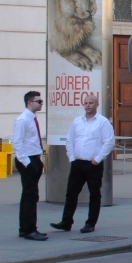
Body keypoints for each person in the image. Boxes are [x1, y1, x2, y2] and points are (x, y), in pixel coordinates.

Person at [49, 94, 114, 234]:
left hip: (93, 164)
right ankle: (66, 222)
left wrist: (97, 159)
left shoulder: (102, 122)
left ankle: (90, 223)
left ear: (97, 105)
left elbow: (109, 142)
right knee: (71, 193)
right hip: (77, 163)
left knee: (94, 195)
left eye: (91, 103)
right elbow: (70, 139)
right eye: (86, 103)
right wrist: (72, 158)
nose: (88, 105)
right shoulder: (77, 121)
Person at [13, 91, 47, 241]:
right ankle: (29, 230)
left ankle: (25, 228)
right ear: (29, 103)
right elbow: (18, 143)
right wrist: (28, 163)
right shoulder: (23, 120)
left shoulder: (32, 118)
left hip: (34, 158)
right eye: (38, 101)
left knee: (29, 195)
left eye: (41, 101)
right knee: (31, 195)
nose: (41, 103)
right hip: (27, 160)